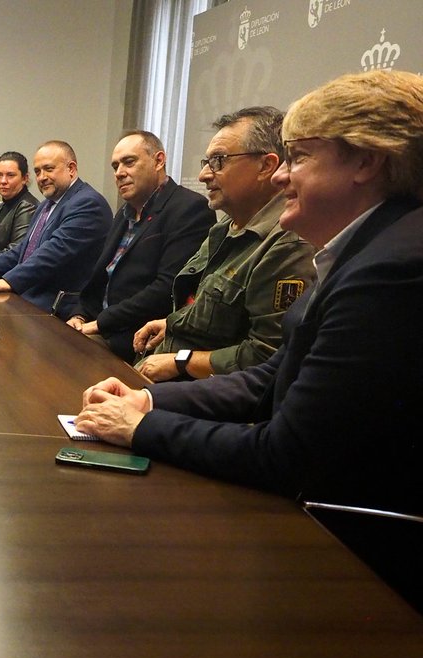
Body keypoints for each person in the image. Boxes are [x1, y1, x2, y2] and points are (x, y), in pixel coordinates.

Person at [76, 69, 423, 518]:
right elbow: (273, 376)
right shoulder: (364, 248)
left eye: (298, 157)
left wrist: (142, 428)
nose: (282, 177)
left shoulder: (391, 271)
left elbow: (285, 456)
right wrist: (148, 399)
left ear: (366, 162)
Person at [130, 108, 315, 382]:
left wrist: (183, 361)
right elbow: (209, 307)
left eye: (218, 161)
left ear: (266, 166)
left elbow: (267, 355)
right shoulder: (225, 227)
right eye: (207, 161)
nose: (204, 174)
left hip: (209, 397)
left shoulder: (286, 243)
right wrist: (170, 324)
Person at [66, 131, 215, 360]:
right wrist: (80, 315)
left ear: (158, 160)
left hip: (136, 338)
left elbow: (166, 289)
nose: (119, 173)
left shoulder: (189, 208)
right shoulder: (123, 214)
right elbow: (101, 278)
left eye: (129, 162)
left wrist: (99, 324)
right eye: (115, 166)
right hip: (99, 325)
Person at [0, 140, 112, 314]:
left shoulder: (87, 203)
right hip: (28, 296)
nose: (41, 177)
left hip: (57, 307)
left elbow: (52, 253)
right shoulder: (47, 205)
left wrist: (8, 281)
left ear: (71, 169)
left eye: (49, 169)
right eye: (38, 171)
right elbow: (23, 250)